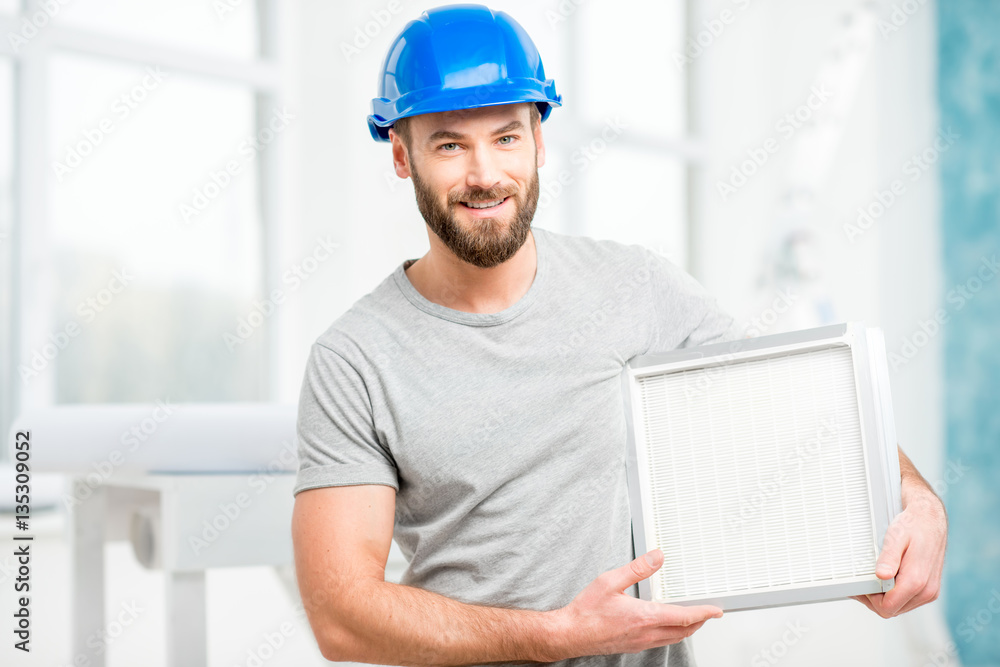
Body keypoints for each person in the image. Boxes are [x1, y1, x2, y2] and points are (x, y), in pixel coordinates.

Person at [290, 5, 948, 666]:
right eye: (450, 144)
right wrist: (557, 633)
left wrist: (911, 497)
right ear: (402, 155)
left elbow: (789, 404)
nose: (485, 173)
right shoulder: (354, 360)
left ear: (540, 141)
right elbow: (342, 615)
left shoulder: (633, 285)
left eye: (507, 137)